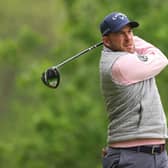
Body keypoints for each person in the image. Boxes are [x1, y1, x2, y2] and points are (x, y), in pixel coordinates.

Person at [99, 12, 168, 168]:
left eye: (130, 31)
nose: (128, 37)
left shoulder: (125, 55)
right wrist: (132, 43)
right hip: (132, 156)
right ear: (106, 40)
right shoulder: (120, 65)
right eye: (120, 34)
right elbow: (161, 58)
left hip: (157, 154)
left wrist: (125, 42)